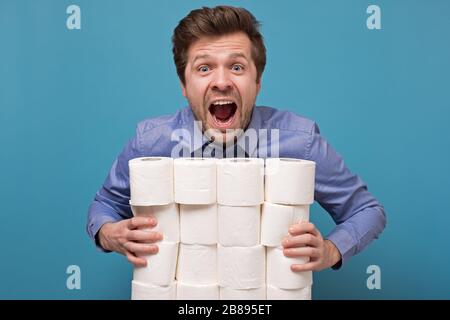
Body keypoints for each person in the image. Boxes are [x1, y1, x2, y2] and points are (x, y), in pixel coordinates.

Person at [87, 5, 386, 271]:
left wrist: (331, 251)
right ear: (183, 84)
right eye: (204, 68)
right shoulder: (151, 142)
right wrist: (109, 233)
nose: (221, 82)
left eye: (237, 67)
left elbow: (367, 211)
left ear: (257, 82)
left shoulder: (300, 141)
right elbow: (105, 205)